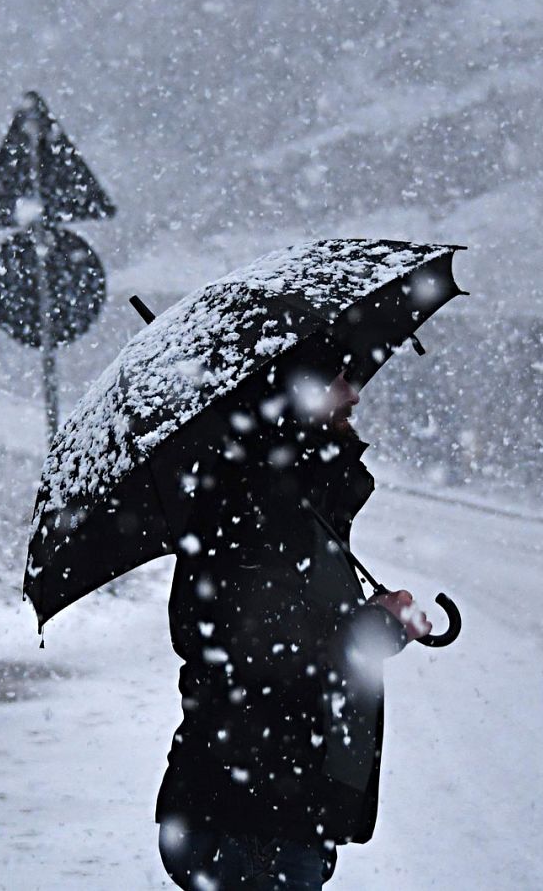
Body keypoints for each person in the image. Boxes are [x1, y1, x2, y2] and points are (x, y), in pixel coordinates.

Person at [155, 358, 433, 890]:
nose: (352, 394)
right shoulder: (259, 502)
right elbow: (266, 657)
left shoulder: (283, 496)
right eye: (336, 378)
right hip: (253, 814)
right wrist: (378, 627)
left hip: (262, 805)